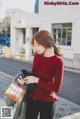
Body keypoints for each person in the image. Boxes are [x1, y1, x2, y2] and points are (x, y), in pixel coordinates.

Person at [18, 30, 64, 119]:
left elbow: (56, 88)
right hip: (32, 98)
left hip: (48, 102)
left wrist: (36, 80)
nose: (35, 48)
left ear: (46, 43)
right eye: (34, 45)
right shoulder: (37, 56)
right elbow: (34, 75)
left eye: (37, 45)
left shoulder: (58, 61)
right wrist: (25, 79)